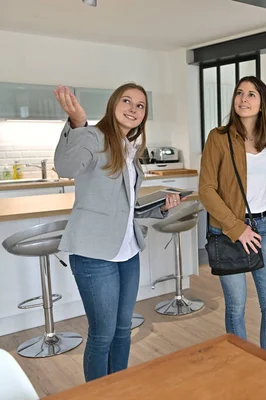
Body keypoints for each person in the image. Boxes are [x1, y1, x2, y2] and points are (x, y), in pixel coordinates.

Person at [53, 84, 182, 382]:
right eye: (127, 101)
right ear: (113, 104)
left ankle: (119, 388)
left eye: (140, 105)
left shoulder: (130, 150)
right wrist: (77, 124)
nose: (133, 109)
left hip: (128, 253)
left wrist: (162, 207)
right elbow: (65, 166)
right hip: (94, 255)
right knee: (102, 334)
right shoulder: (93, 137)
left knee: (124, 328)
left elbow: (128, 208)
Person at [199, 76, 266, 355]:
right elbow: (207, 190)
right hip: (228, 229)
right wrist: (237, 228)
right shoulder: (219, 137)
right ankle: (240, 365)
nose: (243, 99)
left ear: (262, 104)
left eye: (251, 94)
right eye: (239, 93)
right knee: (236, 306)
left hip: (265, 228)